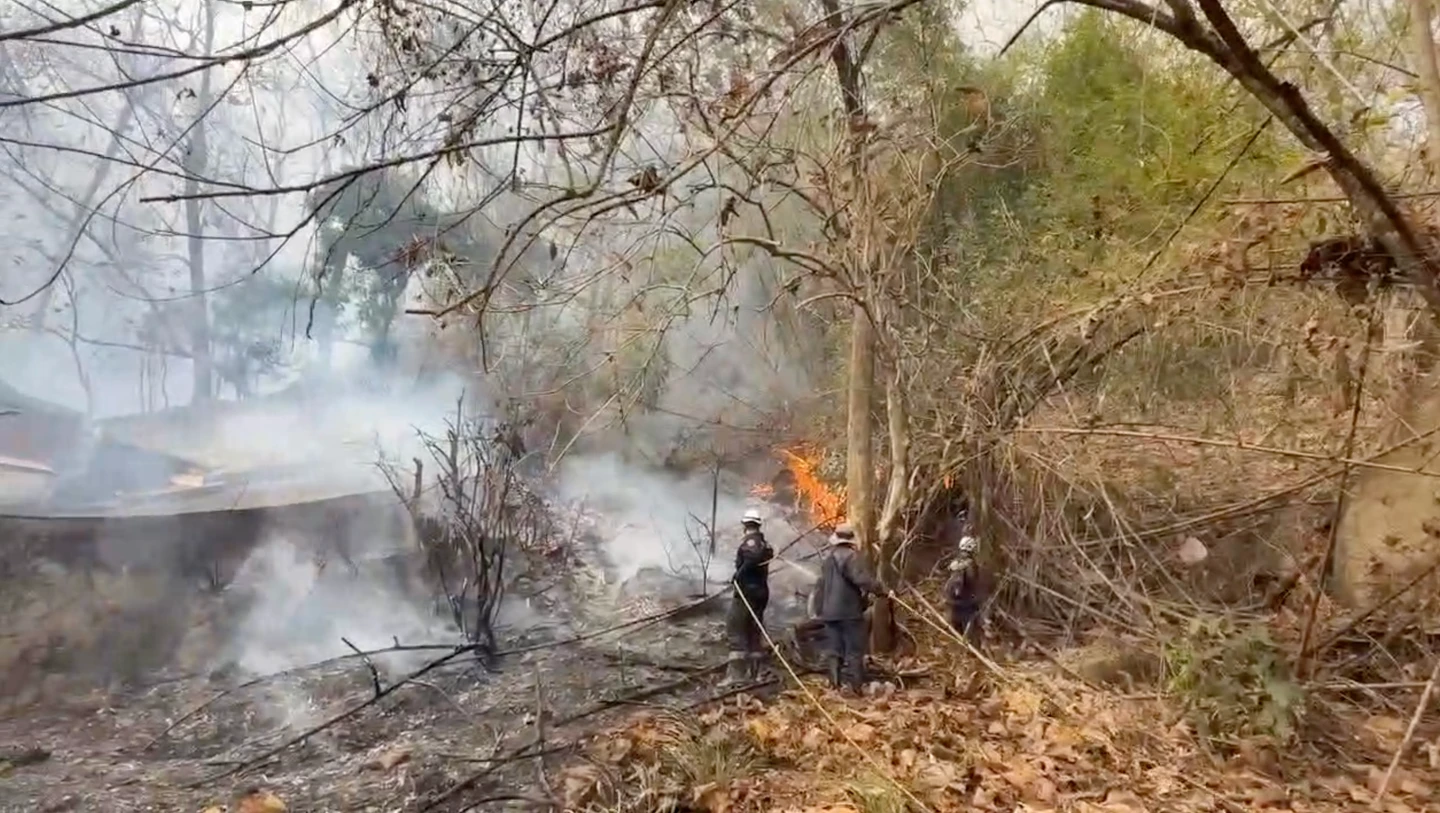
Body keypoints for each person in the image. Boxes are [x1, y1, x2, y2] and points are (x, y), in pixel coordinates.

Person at [814, 522, 880, 693]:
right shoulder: (852, 557)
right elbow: (862, 579)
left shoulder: (827, 558)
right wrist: (882, 591)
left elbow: (820, 586)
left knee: (834, 650)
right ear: (851, 540)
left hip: (829, 612)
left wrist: (819, 609)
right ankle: (857, 688)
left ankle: (835, 686)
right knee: (854, 650)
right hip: (849, 611)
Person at [721, 507, 773, 686]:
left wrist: (738, 575)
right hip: (760, 592)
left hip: (747, 593)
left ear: (745, 524)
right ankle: (757, 674)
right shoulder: (764, 543)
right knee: (754, 632)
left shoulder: (751, 543)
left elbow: (751, 559)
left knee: (735, 629)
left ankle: (736, 676)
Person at [943, 535, 986, 646]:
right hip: (966, 601)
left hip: (953, 600)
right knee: (970, 624)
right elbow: (972, 582)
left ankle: (957, 645)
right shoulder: (970, 565)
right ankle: (970, 647)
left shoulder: (954, 563)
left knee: (956, 625)